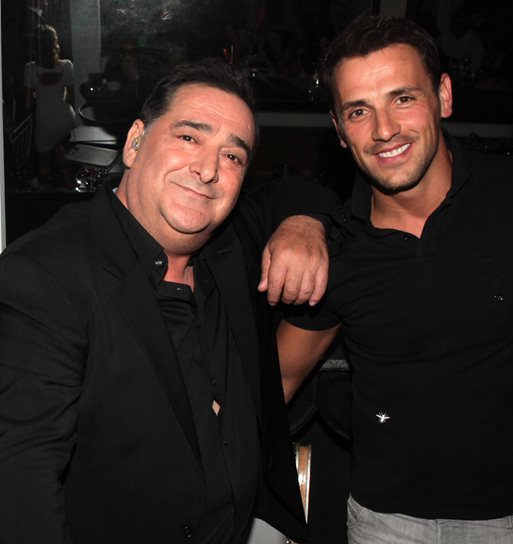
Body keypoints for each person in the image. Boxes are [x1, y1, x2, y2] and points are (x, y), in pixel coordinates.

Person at [278, 15, 513, 544]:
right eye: (359, 111)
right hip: (385, 524)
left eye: (403, 98)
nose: (383, 130)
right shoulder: (335, 245)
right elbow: (277, 378)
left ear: (443, 96)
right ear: (338, 129)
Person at [0, 58, 336, 544]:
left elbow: (302, 192)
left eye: (232, 157)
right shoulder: (46, 275)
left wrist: (302, 225)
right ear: (135, 143)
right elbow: (20, 481)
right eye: (189, 137)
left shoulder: (227, 246)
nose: (208, 170)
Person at [24, 24, 76, 185]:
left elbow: (27, 104)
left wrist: (38, 95)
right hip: (65, 120)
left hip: (45, 122)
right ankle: (68, 186)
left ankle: (47, 191)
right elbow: (71, 99)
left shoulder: (30, 69)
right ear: (55, 43)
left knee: (44, 169)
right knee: (63, 155)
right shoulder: (67, 65)